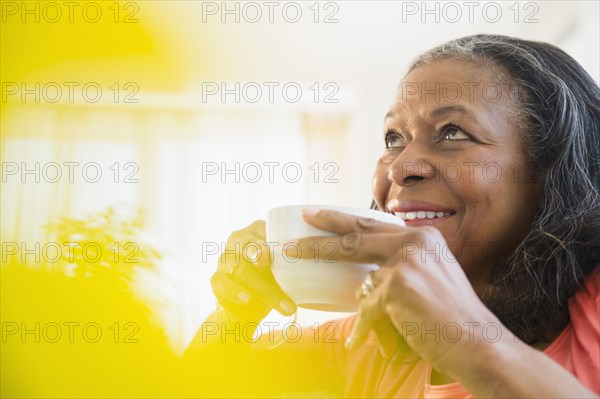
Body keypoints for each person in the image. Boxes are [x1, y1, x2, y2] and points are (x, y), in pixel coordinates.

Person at [184, 34, 600, 398]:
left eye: (453, 132)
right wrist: (234, 313)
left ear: (550, 169)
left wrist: (467, 340)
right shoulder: (367, 341)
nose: (401, 167)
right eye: (394, 138)